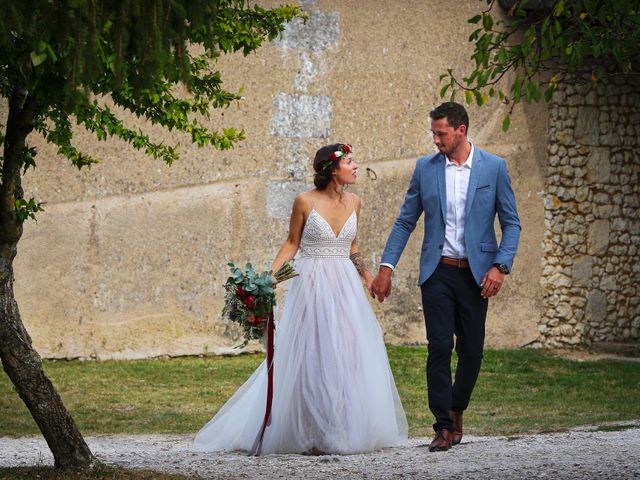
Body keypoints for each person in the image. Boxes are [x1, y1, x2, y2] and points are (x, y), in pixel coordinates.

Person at [194, 143, 408, 455]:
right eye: (350, 161)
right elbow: (293, 242)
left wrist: (369, 280)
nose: (356, 165)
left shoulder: (356, 202)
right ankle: (308, 429)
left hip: (345, 287)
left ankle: (342, 428)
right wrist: (267, 277)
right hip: (312, 282)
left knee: (347, 351)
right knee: (314, 353)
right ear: (333, 169)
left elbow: (352, 247)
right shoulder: (304, 201)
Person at [371, 102, 521, 452]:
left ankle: (457, 409)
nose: (435, 139)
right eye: (434, 133)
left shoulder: (494, 168)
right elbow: (406, 220)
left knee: (472, 351)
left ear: (461, 130)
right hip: (437, 271)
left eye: (441, 133)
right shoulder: (425, 168)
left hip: (477, 274)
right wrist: (386, 267)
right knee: (439, 346)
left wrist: (501, 266)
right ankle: (441, 425)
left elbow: (511, 222)